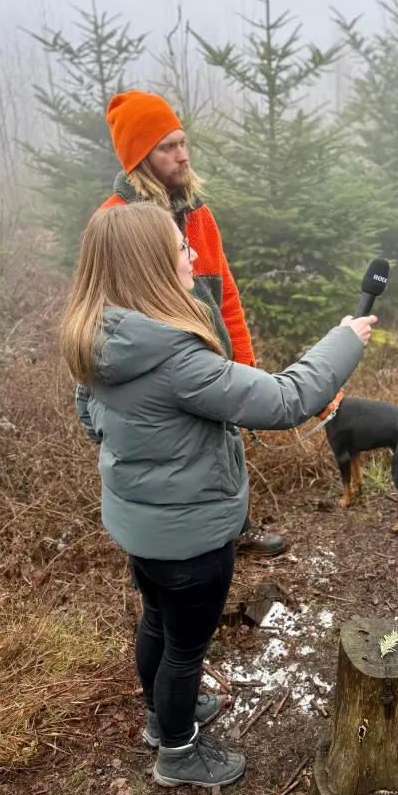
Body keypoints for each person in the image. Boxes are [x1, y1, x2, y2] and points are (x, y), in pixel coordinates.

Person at [61, 201, 376, 787]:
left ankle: (162, 718)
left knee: (157, 620)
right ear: (152, 263)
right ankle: (178, 753)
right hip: (192, 538)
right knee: (185, 649)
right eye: (182, 248)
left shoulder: (96, 338)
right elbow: (285, 401)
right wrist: (344, 340)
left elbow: (92, 420)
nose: (194, 255)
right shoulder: (176, 358)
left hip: (142, 530)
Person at [98, 89, 285, 557]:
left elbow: (229, 303)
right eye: (168, 147)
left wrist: (247, 369)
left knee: (226, 448)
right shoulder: (113, 223)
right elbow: (99, 320)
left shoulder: (199, 216)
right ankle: (171, 555)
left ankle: (235, 528)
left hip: (209, 367)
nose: (183, 155)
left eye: (183, 142)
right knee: (173, 473)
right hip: (156, 386)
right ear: (141, 157)